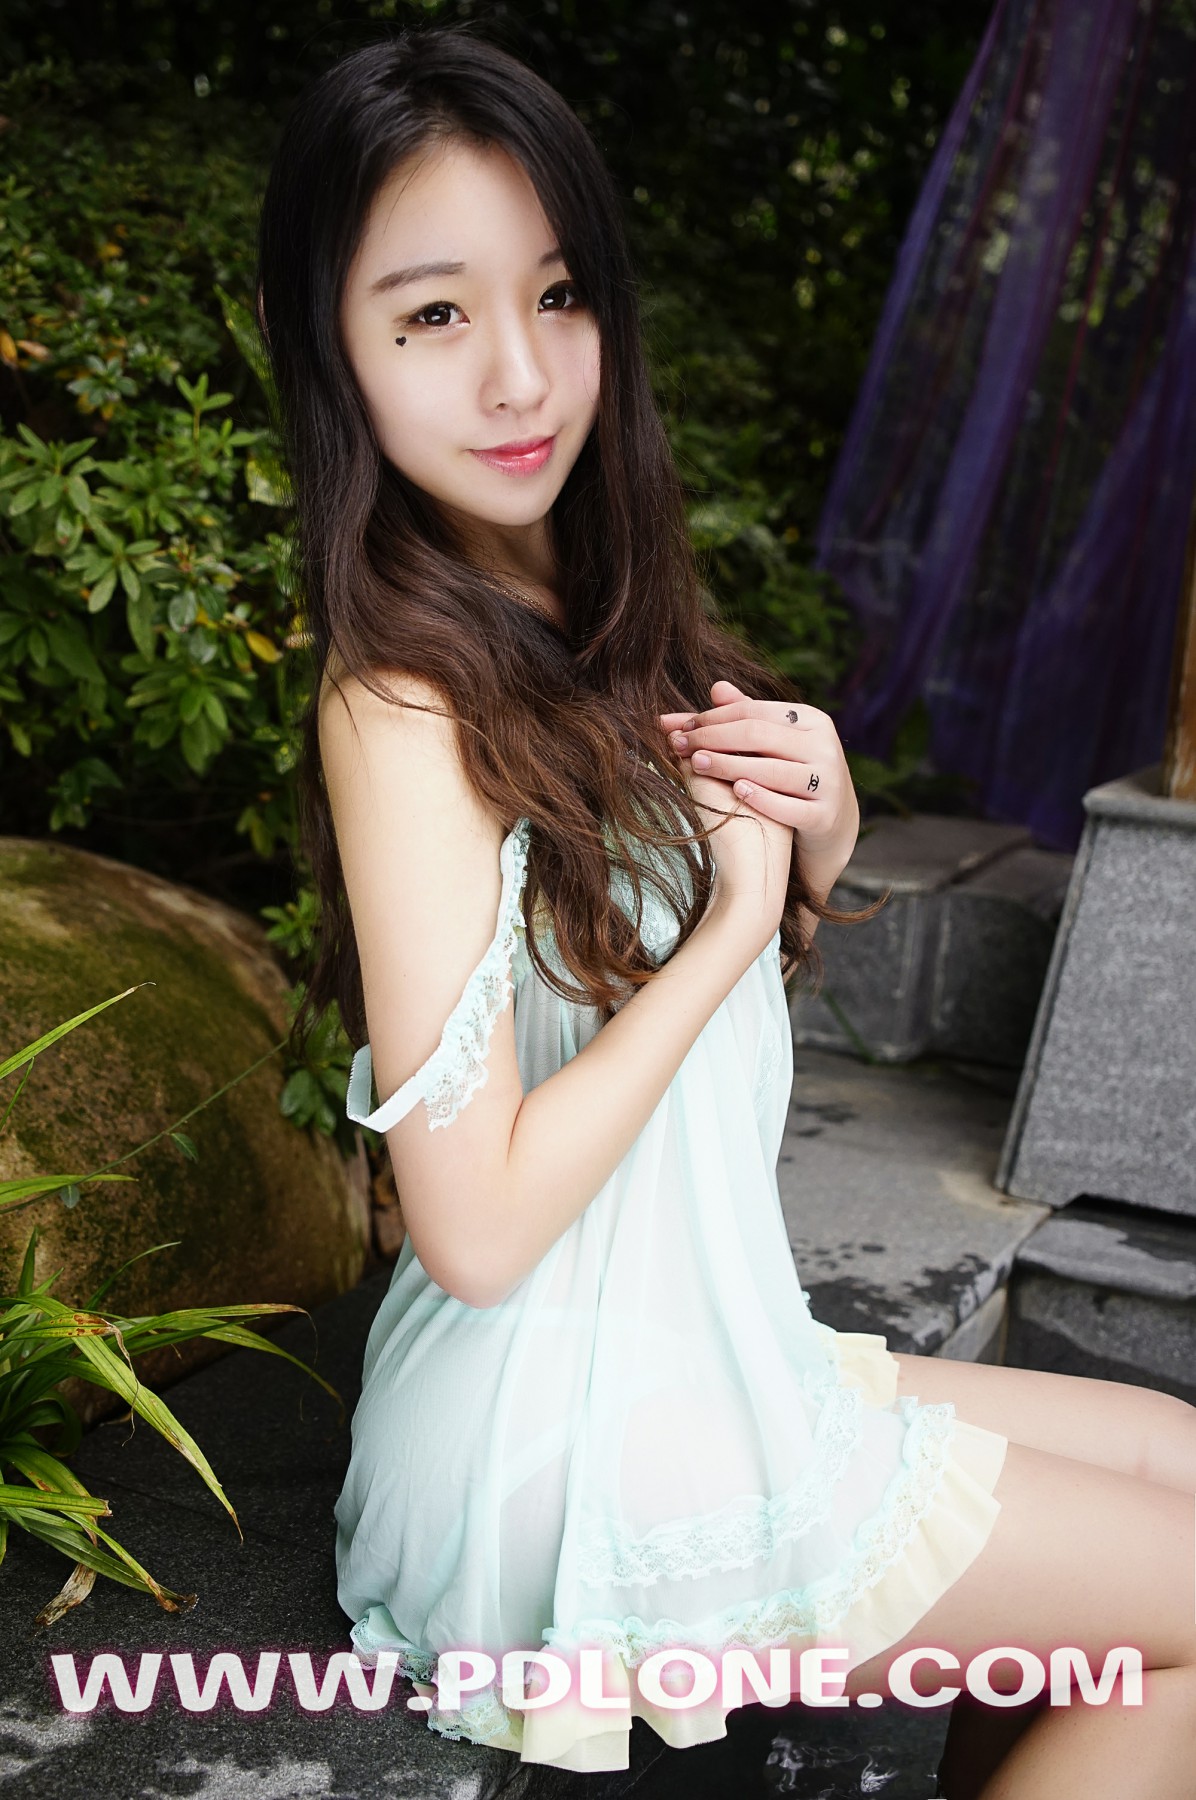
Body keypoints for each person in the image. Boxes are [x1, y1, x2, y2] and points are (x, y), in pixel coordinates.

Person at [255, 24, 1196, 1796]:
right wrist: (726, 933)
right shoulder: (401, 703)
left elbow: (669, 986)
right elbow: (474, 1227)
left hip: (694, 1345)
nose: (521, 374)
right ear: (336, 353)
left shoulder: (592, 620)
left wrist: (817, 840)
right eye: (434, 315)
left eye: (557, 295)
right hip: (564, 1444)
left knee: (1170, 1448)